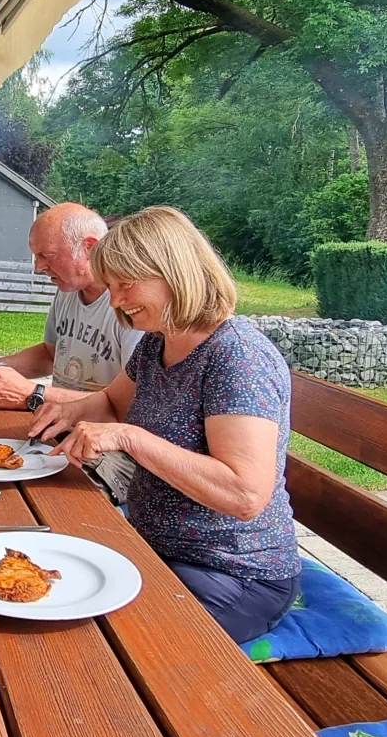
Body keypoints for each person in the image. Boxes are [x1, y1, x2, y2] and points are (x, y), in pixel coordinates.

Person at [26, 205, 300, 643]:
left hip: (233, 572)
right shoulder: (158, 343)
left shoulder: (238, 357)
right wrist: (55, 407)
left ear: (174, 272)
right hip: (154, 544)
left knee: (96, 643)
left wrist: (130, 437)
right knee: (43, 590)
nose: (114, 300)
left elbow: (245, 494)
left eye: (125, 284)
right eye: (111, 286)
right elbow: (110, 403)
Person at [0, 202, 143, 498]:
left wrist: (33, 394)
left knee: (12, 493)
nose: (38, 268)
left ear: (89, 247)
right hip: (56, 428)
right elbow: (51, 353)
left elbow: (129, 409)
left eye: (46, 255)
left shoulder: (132, 309)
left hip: (110, 450)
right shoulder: (68, 293)